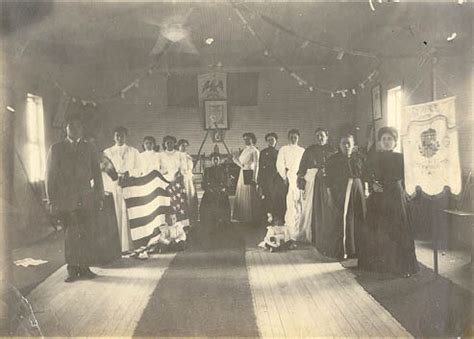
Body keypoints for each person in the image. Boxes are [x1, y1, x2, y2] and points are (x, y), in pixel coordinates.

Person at [46, 117, 104, 282]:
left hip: (86, 198)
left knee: (86, 233)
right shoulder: (56, 149)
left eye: (78, 126)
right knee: (71, 235)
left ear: (82, 128)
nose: (75, 129)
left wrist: (99, 196)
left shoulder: (89, 147)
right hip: (65, 200)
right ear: (66, 128)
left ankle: (85, 267)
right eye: (72, 126)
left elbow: (97, 174)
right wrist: (52, 201)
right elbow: (50, 177)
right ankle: (72, 270)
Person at [358, 127, 419, 276]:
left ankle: (401, 266)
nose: (386, 142)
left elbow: (409, 176)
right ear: (380, 141)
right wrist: (372, 183)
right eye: (384, 139)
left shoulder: (400, 158)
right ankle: (381, 264)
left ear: (395, 142)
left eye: (389, 139)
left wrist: (407, 191)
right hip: (379, 197)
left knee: (398, 230)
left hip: (396, 197)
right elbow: (364, 173)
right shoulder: (373, 157)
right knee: (379, 230)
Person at [326, 134, 366, 260]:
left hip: (358, 189)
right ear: (339, 145)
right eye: (344, 143)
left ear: (353, 144)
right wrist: (330, 193)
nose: (346, 146)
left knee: (359, 217)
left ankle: (359, 249)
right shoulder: (333, 159)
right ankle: (344, 250)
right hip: (341, 190)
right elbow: (329, 179)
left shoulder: (359, 157)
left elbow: (364, 174)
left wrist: (365, 189)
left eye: (349, 143)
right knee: (345, 218)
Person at [297, 128, 337, 248]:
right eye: (318, 136)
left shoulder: (333, 150)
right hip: (312, 182)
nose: (320, 138)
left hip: (327, 182)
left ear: (327, 136)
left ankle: (325, 235)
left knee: (326, 207)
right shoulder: (310, 150)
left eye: (322, 135)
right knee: (312, 206)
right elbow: (302, 167)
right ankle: (312, 233)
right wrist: (300, 178)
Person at [103, 126, 140, 253]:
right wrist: (115, 177)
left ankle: (129, 245)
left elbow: (140, 168)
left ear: (126, 136)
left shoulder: (134, 151)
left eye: (122, 135)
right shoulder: (107, 152)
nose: (120, 138)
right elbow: (104, 170)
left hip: (129, 185)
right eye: (117, 135)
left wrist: (129, 173)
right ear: (113, 137)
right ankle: (116, 245)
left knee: (129, 213)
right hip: (114, 186)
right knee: (116, 213)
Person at [276, 129, 305, 242]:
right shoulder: (284, 149)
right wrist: (284, 177)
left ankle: (300, 226)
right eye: (291, 137)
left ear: (298, 138)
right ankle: (291, 226)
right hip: (290, 176)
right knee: (291, 201)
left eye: (295, 137)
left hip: (300, 176)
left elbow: (305, 164)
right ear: (288, 138)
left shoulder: (302, 150)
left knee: (300, 201)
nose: (293, 139)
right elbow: (280, 163)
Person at [257, 132, 287, 221]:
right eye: (269, 140)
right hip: (266, 179)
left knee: (277, 198)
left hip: (276, 179)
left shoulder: (279, 153)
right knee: (267, 198)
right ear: (267, 142)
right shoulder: (262, 153)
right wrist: (260, 181)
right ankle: (268, 217)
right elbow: (260, 167)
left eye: (272, 140)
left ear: (276, 141)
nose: (271, 141)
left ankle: (277, 217)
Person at [232, 132, 260, 223]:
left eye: (248, 138)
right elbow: (242, 165)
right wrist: (235, 160)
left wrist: (254, 178)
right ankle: (242, 216)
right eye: (244, 139)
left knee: (249, 195)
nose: (246, 141)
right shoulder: (245, 150)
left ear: (253, 139)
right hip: (243, 173)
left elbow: (256, 165)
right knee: (242, 194)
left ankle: (250, 218)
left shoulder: (255, 150)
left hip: (249, 173)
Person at [200, 153, 231, 231]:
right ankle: (209, 223)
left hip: (221, 191)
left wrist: (224, 188)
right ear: (211, 161)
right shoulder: (207, 170)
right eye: (214, 159)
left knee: (223, 202)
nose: (215, 161)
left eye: (217, 159)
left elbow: (227, 181)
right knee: (207, 202)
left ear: (220, 160)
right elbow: (204, 183)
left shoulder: (224, 170)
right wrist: (209, 189)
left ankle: (223, 223)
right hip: (210, 191)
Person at [177, 139, 198, 223]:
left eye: (186, 146)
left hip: (189, 179)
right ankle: (183, 219)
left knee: (191, 197)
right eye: (182, 145)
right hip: (181, 179)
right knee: (183, 198)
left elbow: (190, 168)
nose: (184, 147)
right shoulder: (176, 156)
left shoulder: (188, 156)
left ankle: (192, 218)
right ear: (178, 146)